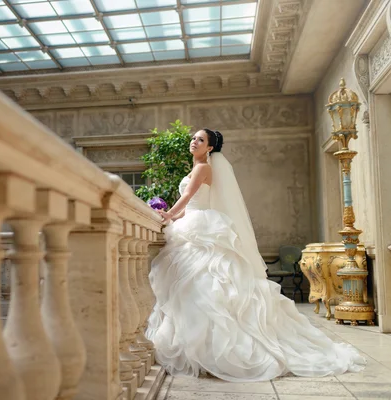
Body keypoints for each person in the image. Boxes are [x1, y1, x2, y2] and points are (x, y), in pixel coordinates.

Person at [145, 128, 366, 382]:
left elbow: (187, 197)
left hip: (199, 226)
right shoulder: (197, 168)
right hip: (194, 222)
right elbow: (191, 204)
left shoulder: (202, 168)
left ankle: (209, 349)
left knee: (205, 285)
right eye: (193, 138)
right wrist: (173, 216)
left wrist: (168, 214)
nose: (194, 142)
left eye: (201, 139)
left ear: (210, 148)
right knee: (195, 286)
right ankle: (197, 346)